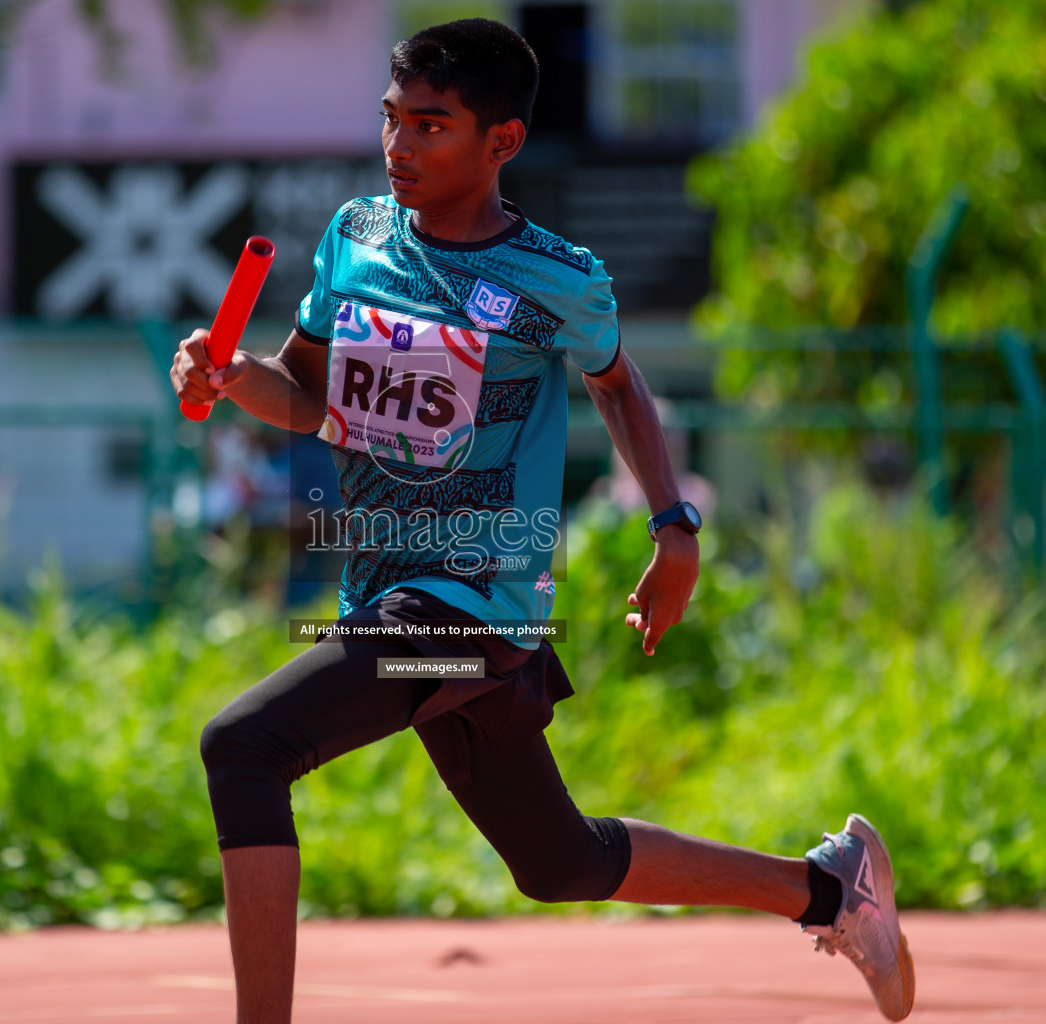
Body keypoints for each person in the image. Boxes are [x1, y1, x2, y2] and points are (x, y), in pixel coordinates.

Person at [170, 19, 915, 1024]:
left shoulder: (553, 276)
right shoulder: (356, 237)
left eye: (431, 126)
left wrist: (674, 527)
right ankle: (833, 887)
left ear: (502, 142)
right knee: (559, 862)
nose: (400, 146)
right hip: (385, 589)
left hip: (473, 602)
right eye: (392, 120)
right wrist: (226, 377)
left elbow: (618, 384)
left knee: (246, 745)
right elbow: (305, 395)